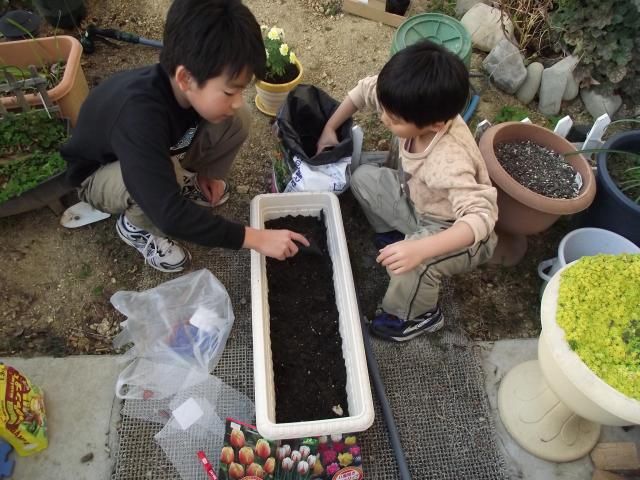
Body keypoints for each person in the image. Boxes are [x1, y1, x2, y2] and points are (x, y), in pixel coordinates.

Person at [61, 0, 309, 273]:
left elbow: (226, 116)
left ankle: (197, 180)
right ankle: (135, 226)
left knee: (237, 120)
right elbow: (170, 215)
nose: (237, 100)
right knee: (167, 183)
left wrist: (209, 173)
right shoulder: (139, 115)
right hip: (96, 175)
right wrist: (255, 238)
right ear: (185, 78)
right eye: (229, 92)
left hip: (154, 150)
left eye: (241, 90)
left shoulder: (184, 89)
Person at [317, 40, 498, 341]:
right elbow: (364, 91)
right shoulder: (403, 100)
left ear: (436, 125)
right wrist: (330, 127)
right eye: (386, 110)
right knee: (363, 179)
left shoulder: (449, 159)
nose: (385, 118)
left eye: (395, 121)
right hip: (418, 203)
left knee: (413, 268)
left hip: (455, 230)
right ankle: (397, 238)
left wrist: (421, 248)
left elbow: (481, 217)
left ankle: (415, 316)